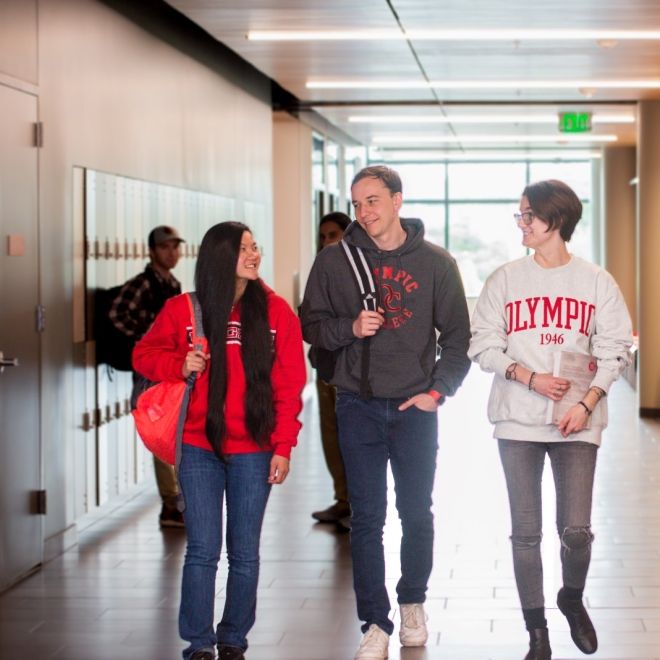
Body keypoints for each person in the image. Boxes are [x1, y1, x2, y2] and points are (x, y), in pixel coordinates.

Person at [301, 166, 471, 659]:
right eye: (357, 204)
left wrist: (437, 392)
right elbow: (311, 324)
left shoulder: (436, 263)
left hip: (415, 407)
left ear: (398, 201)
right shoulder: (335, 262)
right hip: (357, 403)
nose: (364, 213)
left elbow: (458, 339)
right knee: (367, 518)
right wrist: (349, 328)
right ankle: (374, 621)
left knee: (416, 512)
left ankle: (413, 601)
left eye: (373, 201)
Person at [468, 180, 632, 660]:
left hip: (577, 422)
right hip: (517, 422)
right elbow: (483, 344)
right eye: (519, 216)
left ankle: (571, 598)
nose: (521, 224)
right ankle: (536, 632)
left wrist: (588, 402)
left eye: (528, 216)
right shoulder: (504, 279)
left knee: (575, 530)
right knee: (526, 532)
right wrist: (528, 376)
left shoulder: (596, 281)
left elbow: (614, 348)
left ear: (554, 220)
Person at [133, 221, 306, 660]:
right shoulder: (184, 310)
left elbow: (289, 387)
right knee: (202, 550)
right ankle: (198, 643)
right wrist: (180, 362)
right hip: (197, 446)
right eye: (244, 248)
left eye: (255, 247)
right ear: (220, 256)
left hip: (254, 448)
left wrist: (283, 447)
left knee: (244, 553)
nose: (254, 255)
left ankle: (233, 639)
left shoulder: (275, 312)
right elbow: (144, 354)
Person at [110, 224, 186, 528]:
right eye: (165, 247)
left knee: (174, 430)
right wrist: (145, 338)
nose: (172, 252)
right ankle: (170, 503)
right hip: (150, 370)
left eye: (175, 247)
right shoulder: (143, 284)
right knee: (160, 431)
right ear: (152, 251)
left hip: (171, 367)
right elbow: (117, 313)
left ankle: (177, 500)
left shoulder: (173, 284)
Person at [310, 211, 352, 530]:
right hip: (325, 366)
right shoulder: (319, 269)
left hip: (349, 370)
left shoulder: (355, 272)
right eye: (323, 236)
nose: (326, 241)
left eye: (333, 235)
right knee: (330, 435)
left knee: (352, 436)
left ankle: (356, 502)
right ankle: (342, 498)